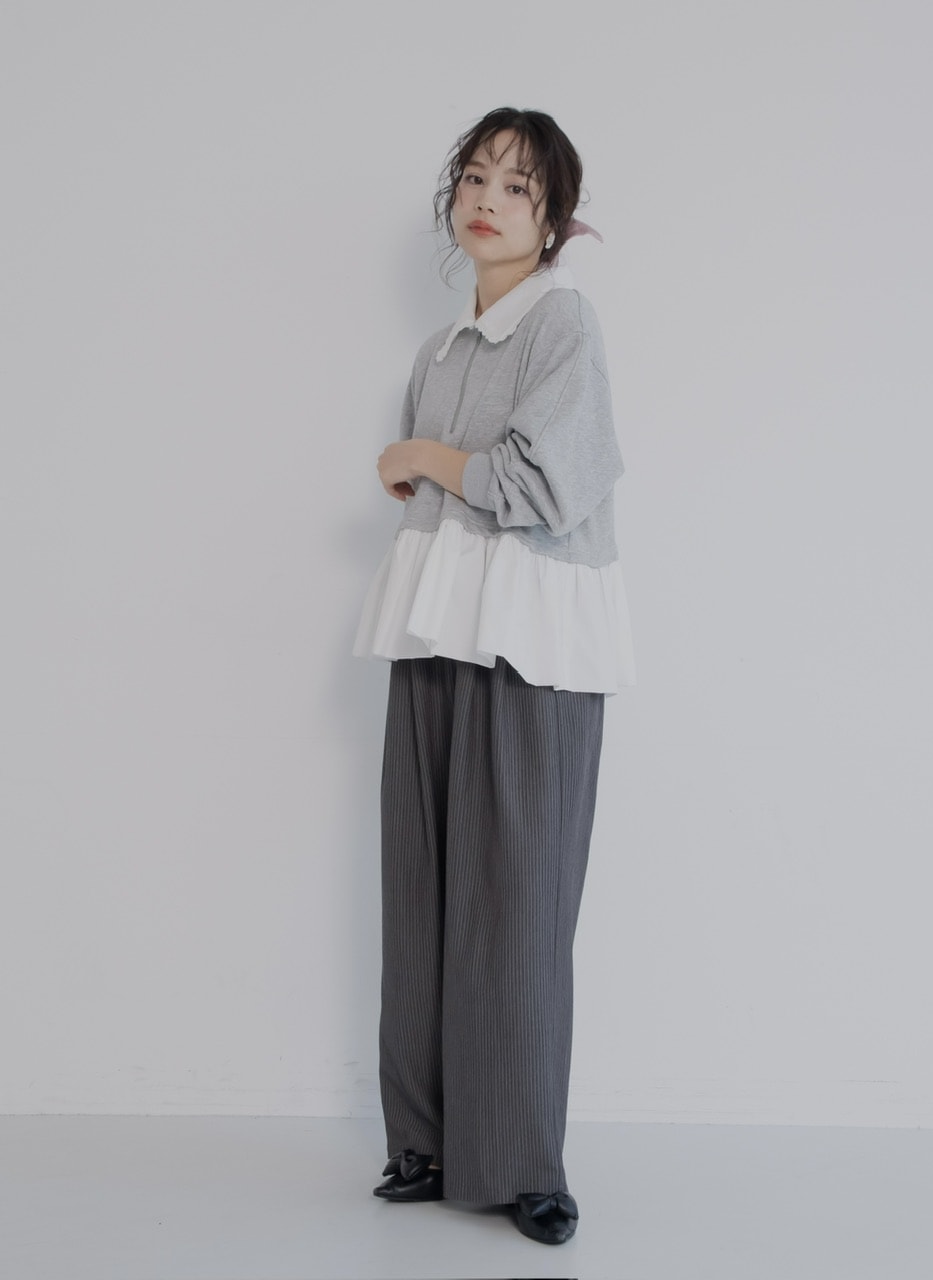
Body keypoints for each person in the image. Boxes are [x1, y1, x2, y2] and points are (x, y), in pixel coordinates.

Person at [353, 106, 635, 1247]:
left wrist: (421, 456)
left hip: (533, 647)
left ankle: (522, 1163)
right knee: (422, 888)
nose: (488, 200)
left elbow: (543, 484)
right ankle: (425, 1142)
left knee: (516, 902)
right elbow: (449, 494)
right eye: (475, 178)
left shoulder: (562, 321)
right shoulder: (439, 351)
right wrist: (428, 467)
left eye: (518, 187)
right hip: (436, 631)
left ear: (554, 217)